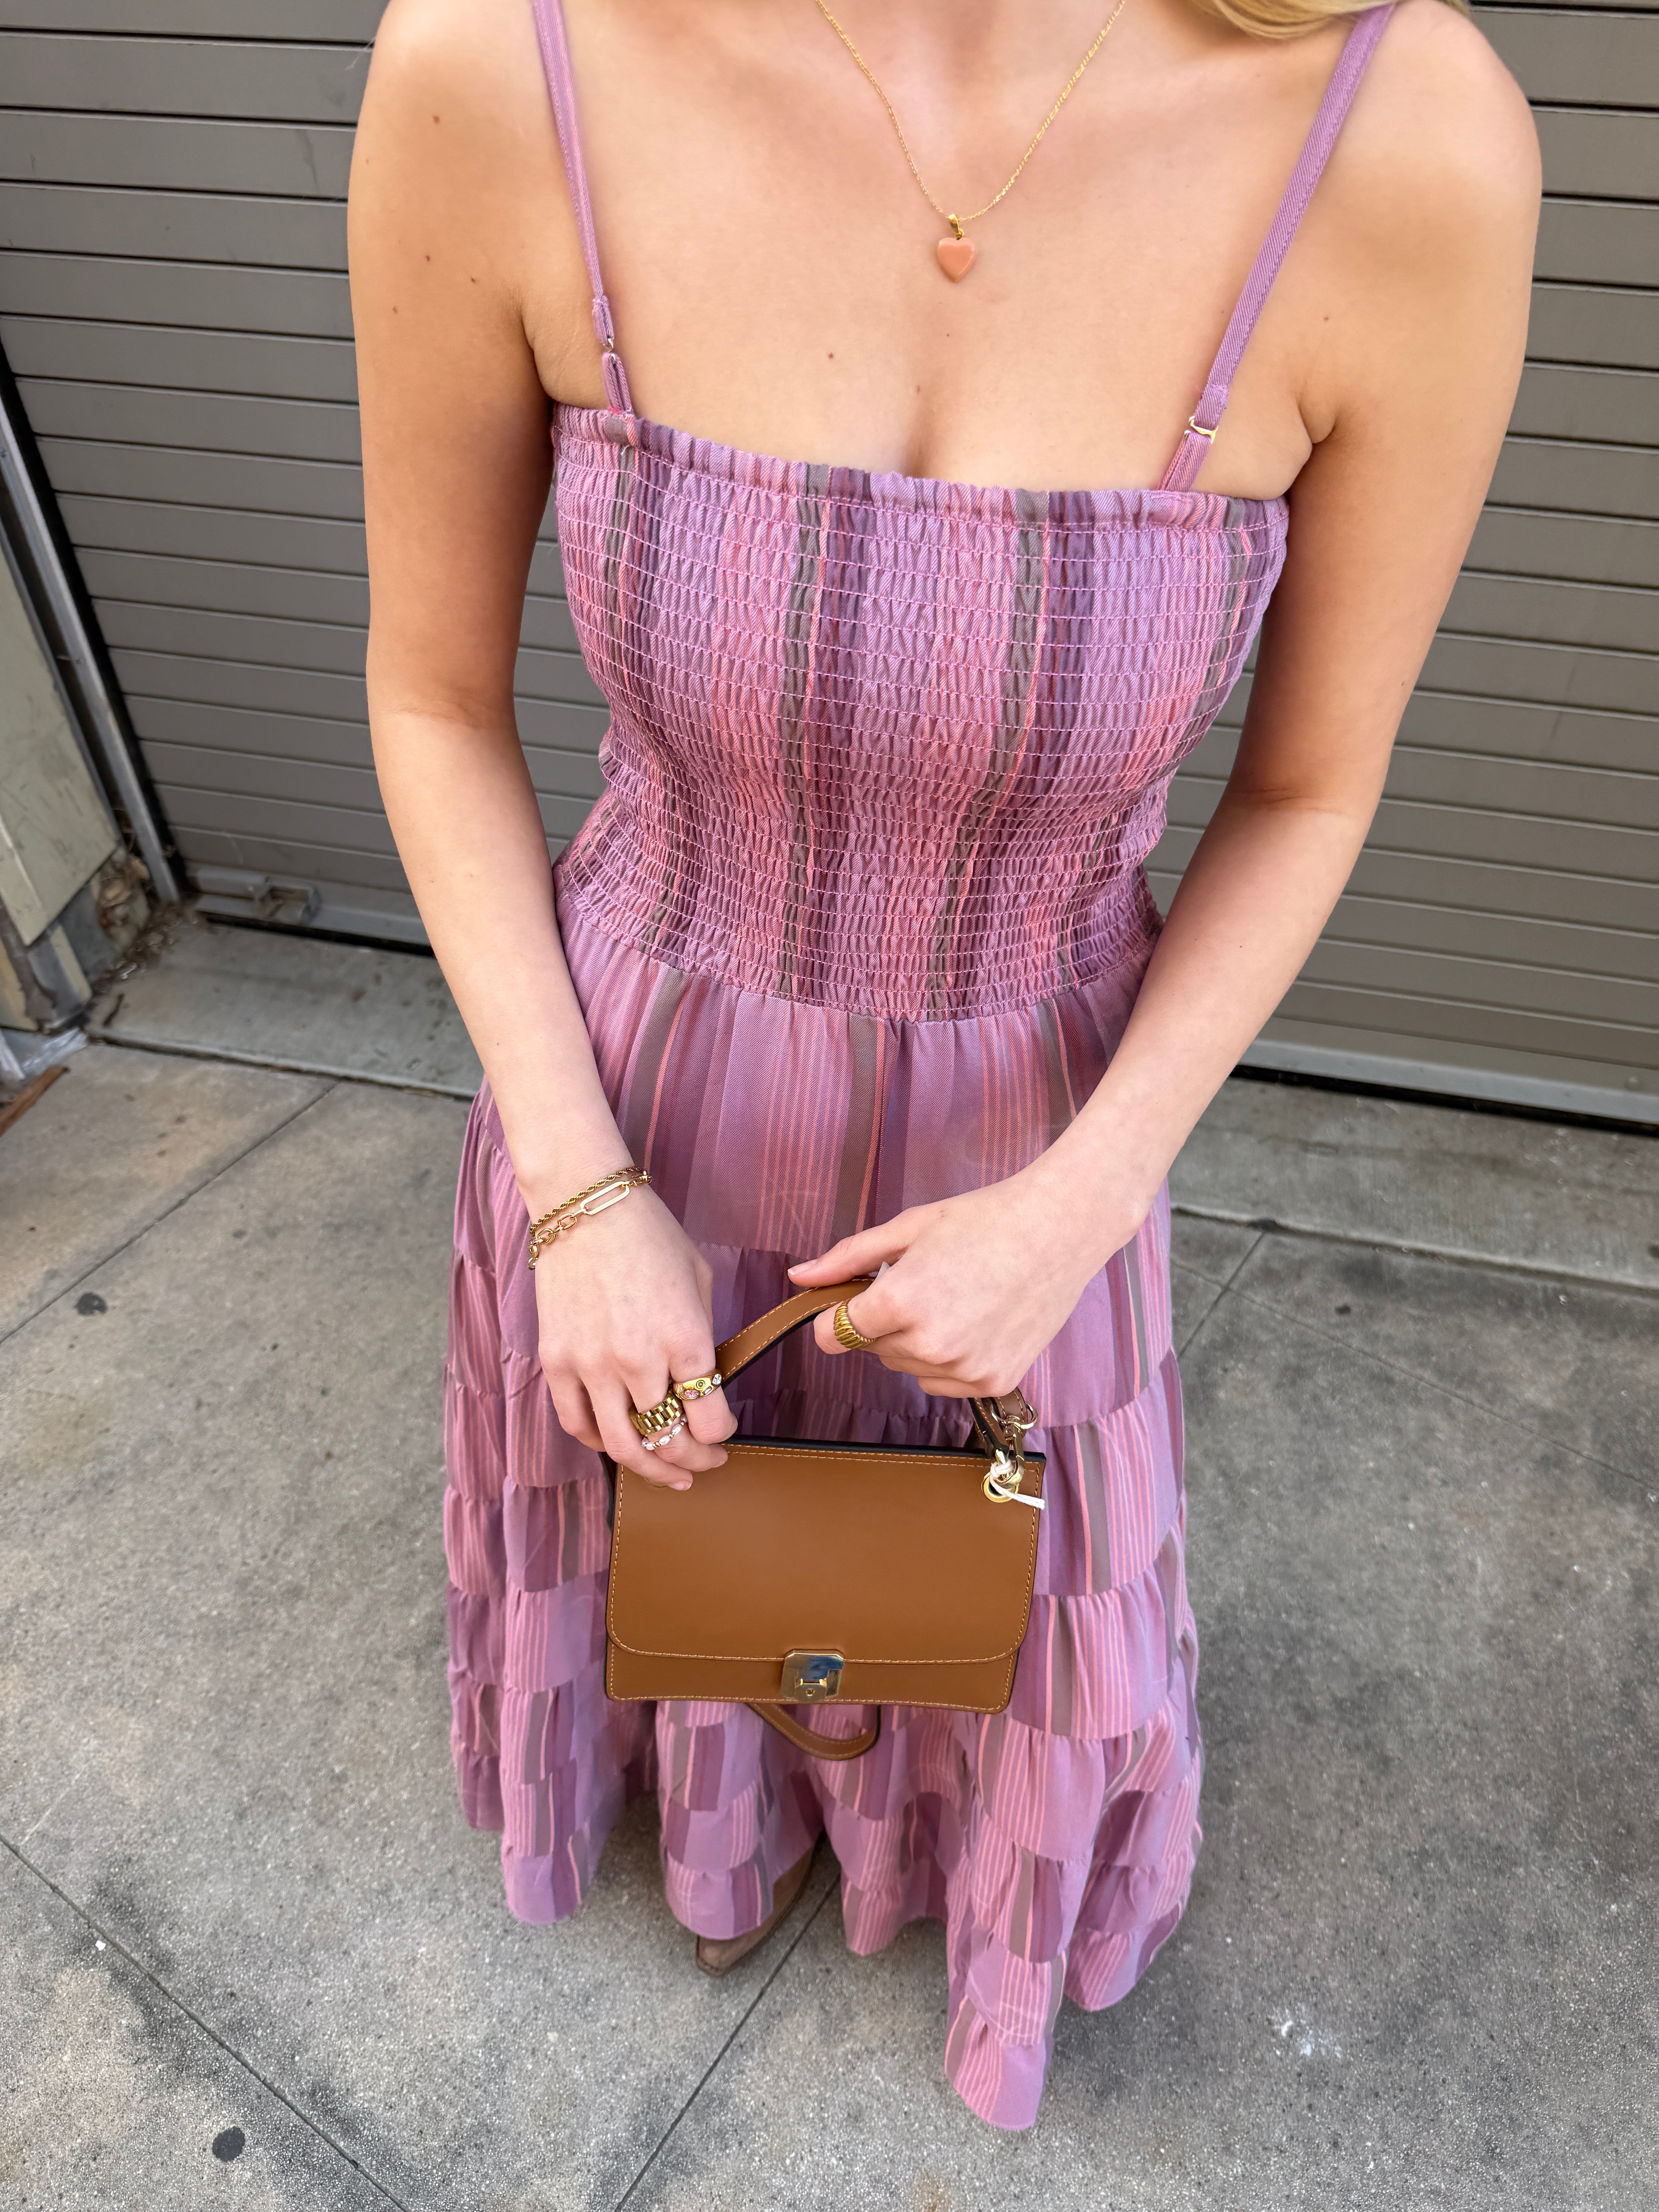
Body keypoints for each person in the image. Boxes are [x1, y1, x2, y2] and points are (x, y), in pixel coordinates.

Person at [349, 0, 1537, 2128]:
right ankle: (726, 1821)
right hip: (631, 1102)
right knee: (686, 1553)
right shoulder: (501, 61)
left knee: (985, 1592)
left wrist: (1083, 1207)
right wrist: (577, 1186)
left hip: (1040, 1144)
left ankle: (896, 1846)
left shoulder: (1403, 135)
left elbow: (1315, 789)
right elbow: (433, 695)